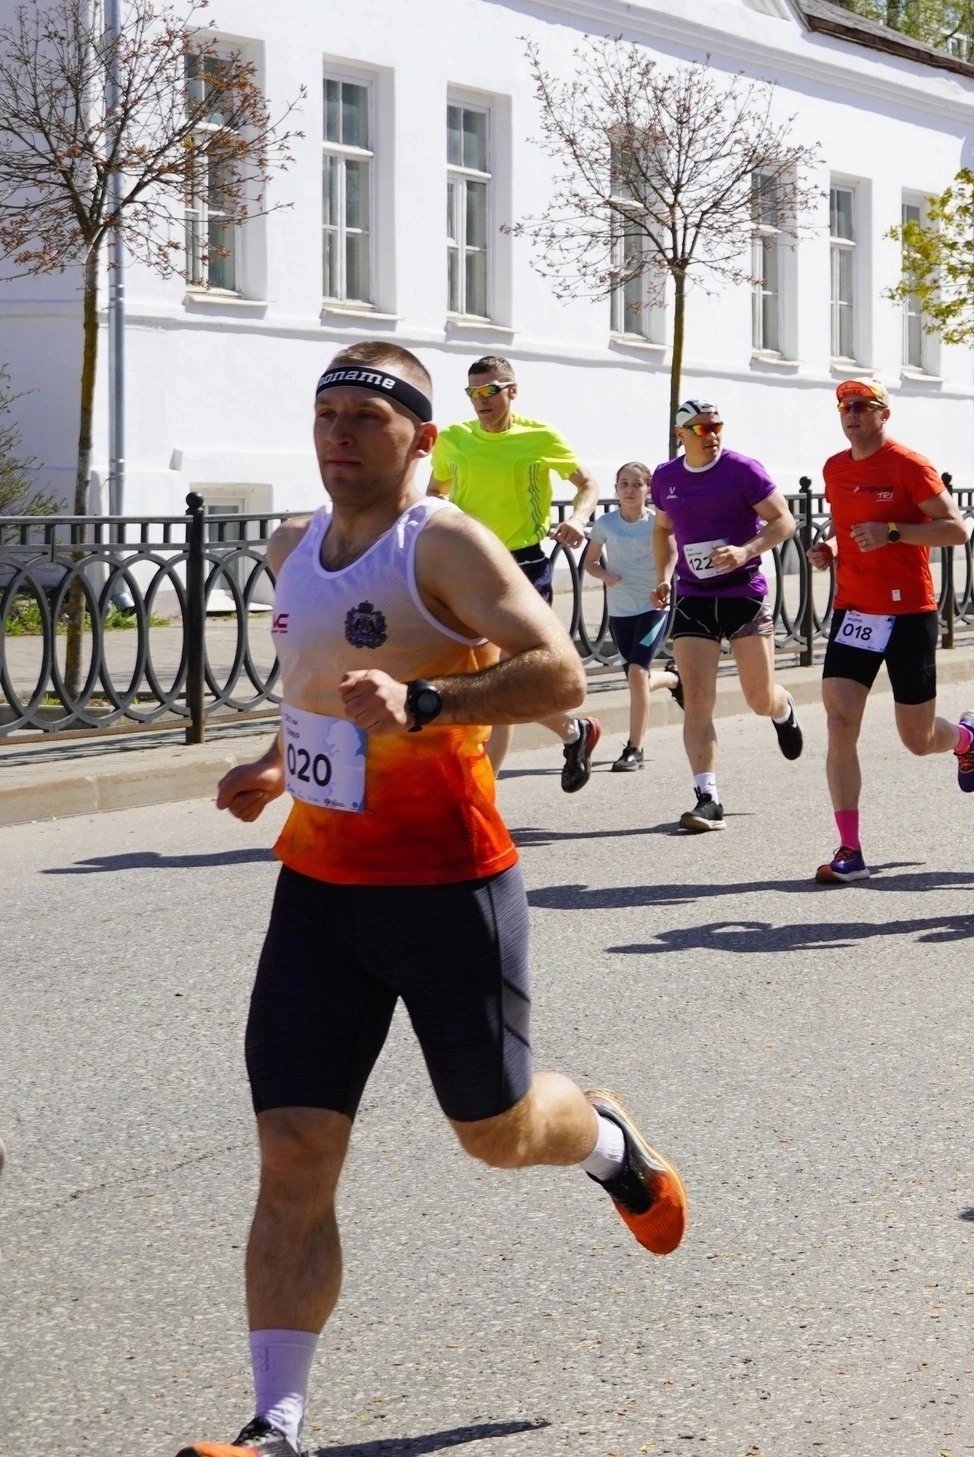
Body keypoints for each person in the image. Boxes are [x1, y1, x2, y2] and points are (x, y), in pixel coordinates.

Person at [192, 344, 684, 1457]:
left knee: (496, 1132)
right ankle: (278, 1420)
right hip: (318, 889)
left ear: (419, 435)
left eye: (365, 417)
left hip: (447, 885)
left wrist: (425, 698)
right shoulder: (292, 547)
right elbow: (321, 691)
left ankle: (608, 1138)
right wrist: (278, 763)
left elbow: (560, 673)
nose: (339, 435)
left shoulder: (444, 543)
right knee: (294, 1148)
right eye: (325, 414)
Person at [806, 378, 974, 882]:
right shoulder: (835, 468)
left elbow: (956, 528)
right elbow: (848, 528)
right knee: (839, 725)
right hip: (855, 611)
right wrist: (832, 549)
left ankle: (965, 738)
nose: (852, 413)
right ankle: (850, 848)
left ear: (884, 414)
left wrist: (893, 533)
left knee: (918, 738)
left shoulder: (910, 465)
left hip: (908, 614)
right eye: (845, 406)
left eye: (862, 406)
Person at [425, 355, 602, 789]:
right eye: (473, 393)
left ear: (512, 391)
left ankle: (483, 797)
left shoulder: (539, 437)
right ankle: (573, 732)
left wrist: (578, 520)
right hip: (469, 563)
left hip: (524, 564)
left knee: (506, 676)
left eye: (490, 391)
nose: (481, 401)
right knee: (474, 675)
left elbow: (587, 485)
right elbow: (435, 492)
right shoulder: (452, 439)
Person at [650, 400, 805, 832]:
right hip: (695, 597)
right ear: (681, 435)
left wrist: (745, 551)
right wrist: (664, 575)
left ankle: (781, 707)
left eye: (716, 425)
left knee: (758, 699)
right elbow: (662, 529)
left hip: (743, 595)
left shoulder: (743, 470)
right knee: (698, 700)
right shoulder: (666, 477)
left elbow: (784, 521)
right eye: (699, 429)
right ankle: (708, 798)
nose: (711, 434)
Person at [577, 463, 680, 772]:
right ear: (616, 489)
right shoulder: (606, 524)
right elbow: (591, 562)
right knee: (638, 681)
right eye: (624, 484)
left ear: (649, 490)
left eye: (637, 484)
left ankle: (634, 749)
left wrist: (664, 581)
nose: (631, 489)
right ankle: (675, 679)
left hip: (654, 605)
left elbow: (672, 552)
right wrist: (604, 574)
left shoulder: (657, 523)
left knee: (637, 675)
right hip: (620, 610)